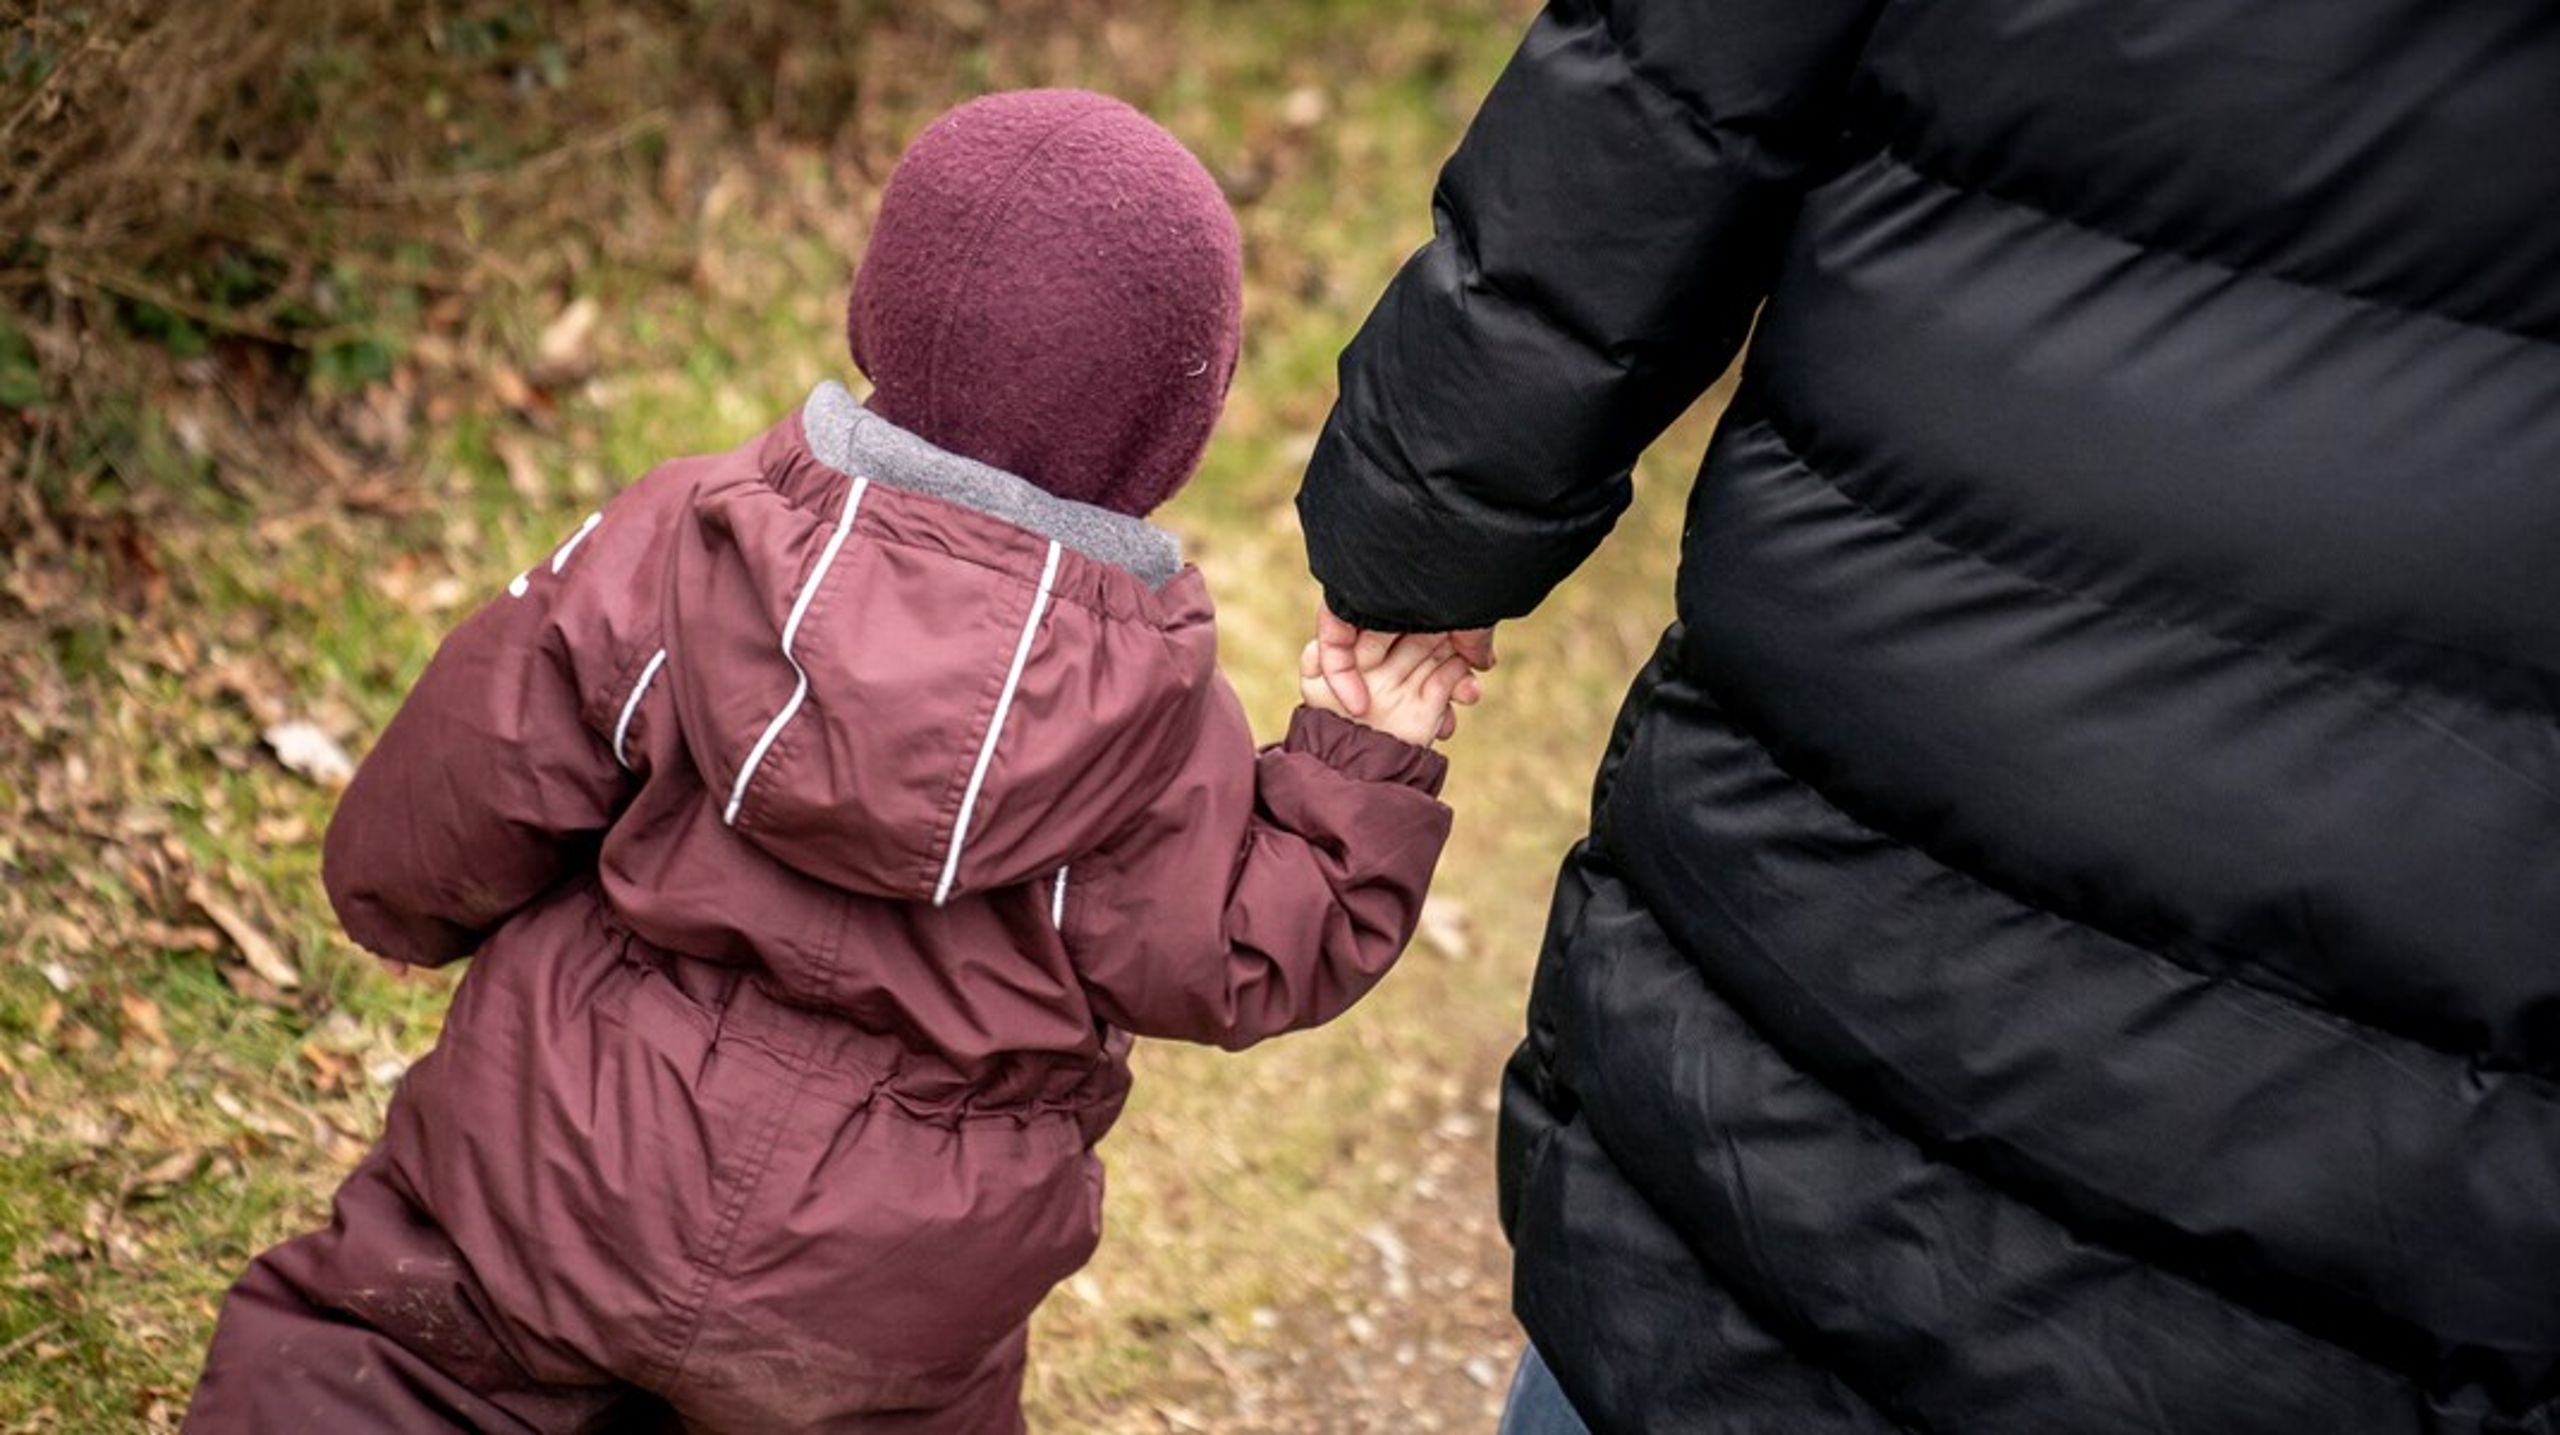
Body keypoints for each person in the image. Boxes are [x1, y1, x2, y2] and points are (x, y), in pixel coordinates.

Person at [1299, 0, 2560, 1430]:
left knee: (1717, 1281)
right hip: (2405, 1116)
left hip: (1848, 849)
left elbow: (1663, 88)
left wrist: (1417, 535)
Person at [186, 88, 1476, 1434]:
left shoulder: (689, 539)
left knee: (397, 1364)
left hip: (558, 1166)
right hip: (894, 1302)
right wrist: (1364, 754)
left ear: (881, 307)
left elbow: (473, 773)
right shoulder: (1156, 717)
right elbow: (1247, 947)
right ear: (1177, 422)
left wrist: (396, 904)